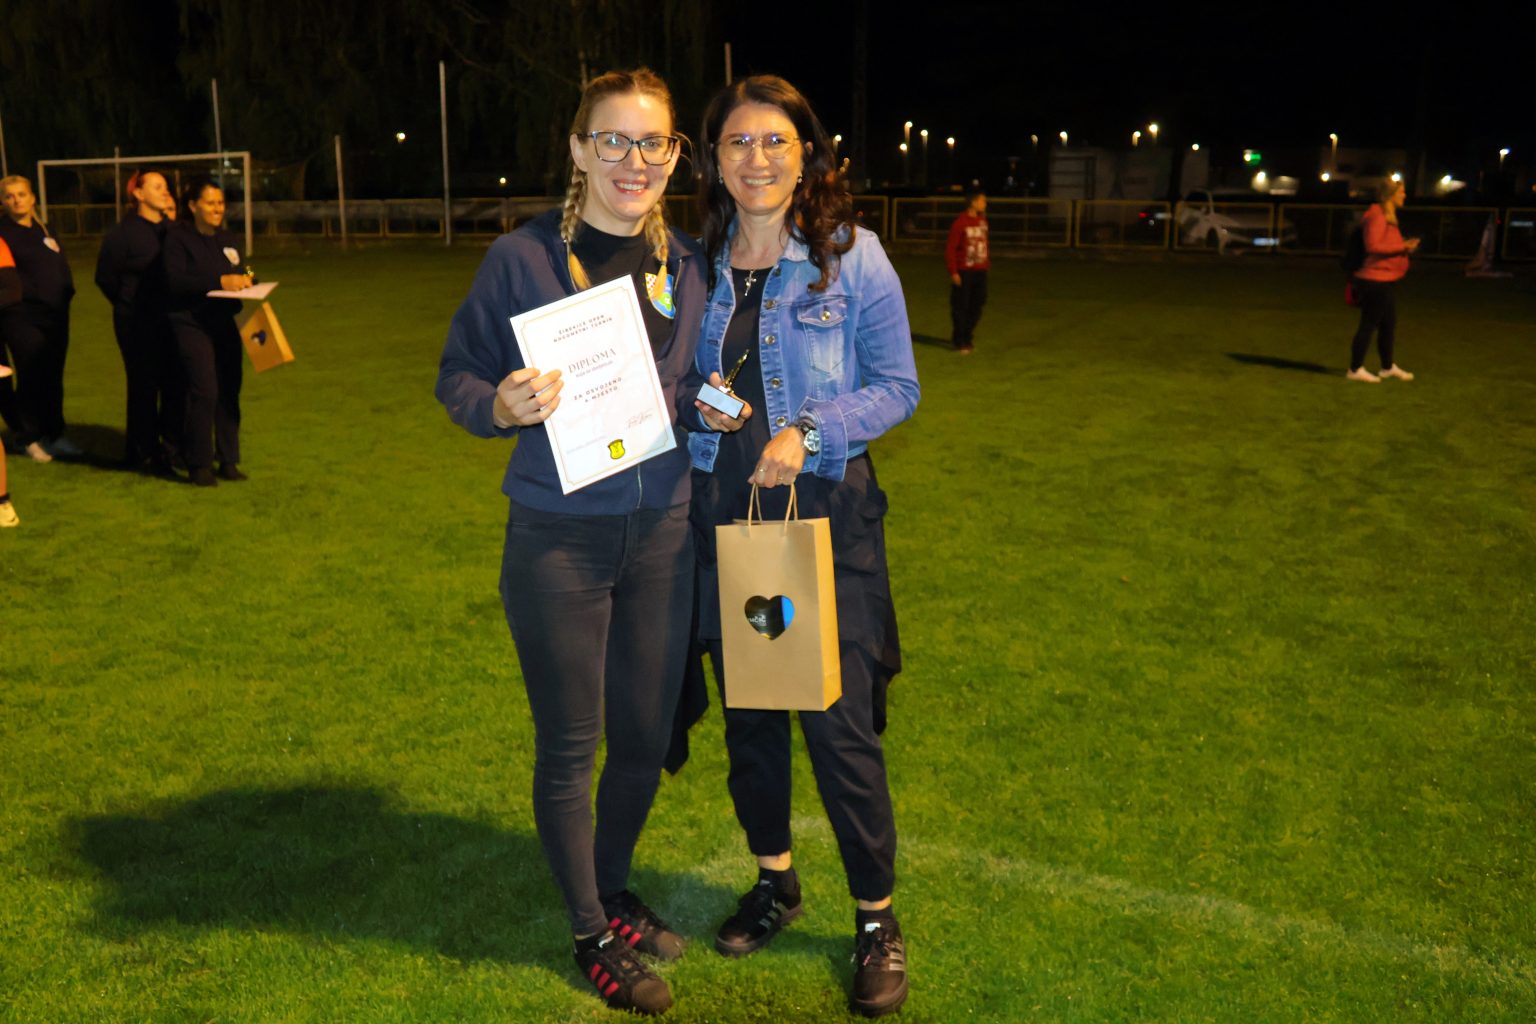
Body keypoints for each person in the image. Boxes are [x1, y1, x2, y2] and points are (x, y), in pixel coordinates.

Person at [436, 68, 741, 1017]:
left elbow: (681, 386)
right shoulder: (521, 258)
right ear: (578, 149)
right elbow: (457, 374)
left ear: (674, 157)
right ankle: (588, 931)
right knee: (573, 744)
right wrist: (498, 405)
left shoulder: (687, 263)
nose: (633, 161)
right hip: (559, 541)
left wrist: (713, 405)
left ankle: (609, 890)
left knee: (645, 739)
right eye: (613, 140)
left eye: (654, 143)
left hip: (662, 533)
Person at [689, 74, 920, 1018]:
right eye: (738, 142)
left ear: (807, 155)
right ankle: (775, 880)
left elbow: (898, 386)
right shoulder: (694, 264)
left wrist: (810, 429)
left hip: (826, 517)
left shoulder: (850, 257)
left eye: (775, 141)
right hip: (726, 516)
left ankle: (876, 919)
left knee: (836, 724)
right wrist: (701, 407)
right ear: (714, 160)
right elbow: (681, 380)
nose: (757, 158)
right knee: (751, 720)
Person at [163, 178, 252, 486]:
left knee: (229, 390)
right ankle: (199, 463)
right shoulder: (178, 238)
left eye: (221, 203)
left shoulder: (227, 238)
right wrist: (219, 281)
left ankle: (228, 460)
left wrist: (248, 280)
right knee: (204, 391)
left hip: (223, 322)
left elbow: (240, 269)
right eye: (210, 203)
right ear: (193, 206)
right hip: (191, 322)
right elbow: (175, 280)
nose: (218, 209)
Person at [96, 170, 183, 475]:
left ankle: (172, 449)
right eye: (157, 187)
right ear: (138, 194)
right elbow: (105, 277)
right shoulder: (123, 234)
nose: (165, 191)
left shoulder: (174, 231)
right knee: (144, 386)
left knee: (176, 384)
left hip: (173, 319)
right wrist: (129, 303)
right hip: (136, 322)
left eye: (166, 187)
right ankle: (142, 453)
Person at [0, 174, 77, 462]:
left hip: (55, 314)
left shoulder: (45, 229)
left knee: (53, 375)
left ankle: (54, 433)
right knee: (31, 374)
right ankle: (28, 437)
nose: (16, 200)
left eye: (21, 194)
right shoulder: (3, 233)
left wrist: (67, 291)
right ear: (2, 202)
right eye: (9, 196)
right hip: (21, 316)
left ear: (32, 198)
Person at [1347, 178, 1419, 383]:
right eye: (1401, 192)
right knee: (1368, 324)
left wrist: (1403, 246)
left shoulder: (1387, 216)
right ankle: (1355, 369)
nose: (1404, 195)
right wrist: (1402, 247)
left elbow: (1383, 243)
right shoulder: (1377, 216)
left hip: (1384, 278)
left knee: (1388, 324)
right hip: (1374, 279)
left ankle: (1387, 367)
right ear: (1390, 195)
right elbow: (1373, 246)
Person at [945, 184, 989, 354]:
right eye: (982, 201)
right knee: (961, 306)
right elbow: (951, 249)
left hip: (980, 271)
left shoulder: (983, 221)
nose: (985, 204)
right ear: (973, 202)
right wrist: (954, 271)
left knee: (977, 304)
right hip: (965, 271)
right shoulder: (960, 223)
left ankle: (967, 335)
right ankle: (959, 340)